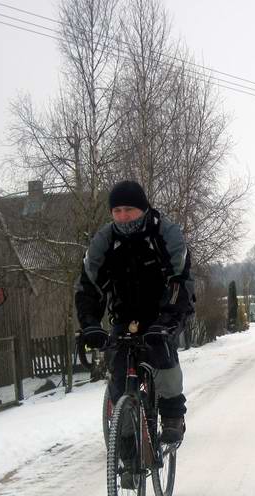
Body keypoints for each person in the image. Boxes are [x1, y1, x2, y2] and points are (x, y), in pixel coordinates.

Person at [76, 180, 194, 445]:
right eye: (116, 211)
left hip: (166, 310)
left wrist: (168, 320)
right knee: (118, 372)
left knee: (162, 354)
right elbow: (88, 286)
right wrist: (91, 324)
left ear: (142, 208)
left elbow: (179, 279)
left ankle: (173, 415)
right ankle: (127, 448)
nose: (122, 216)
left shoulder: (165, 233)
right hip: (125, 316)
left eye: (128, 209)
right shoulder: (105, 240)